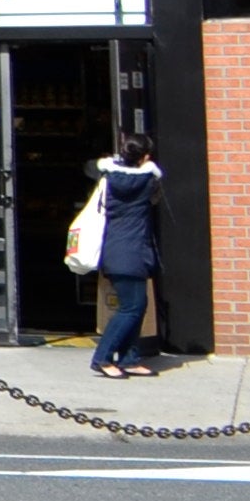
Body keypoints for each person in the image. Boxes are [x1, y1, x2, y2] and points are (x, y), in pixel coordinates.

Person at [87, 125, 164, 378]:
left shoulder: (109, 177)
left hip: (118, 249)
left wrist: (111, 161)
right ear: (144, 157)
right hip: (131, 252)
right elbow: (156, 195)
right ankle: (103, 357)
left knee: (136, 306)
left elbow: (90, 166)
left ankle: (130, 358)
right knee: (131, 308)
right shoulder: (147, 180)